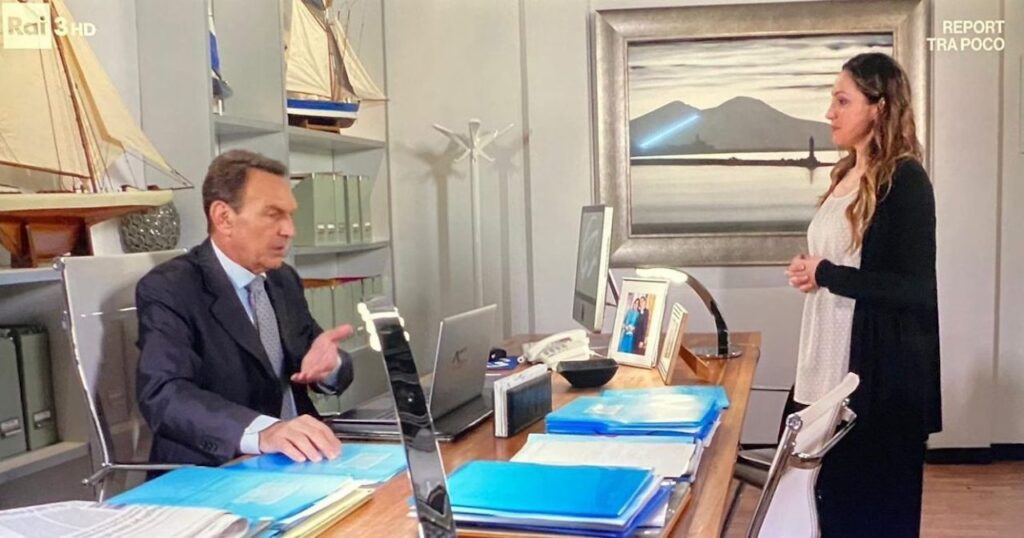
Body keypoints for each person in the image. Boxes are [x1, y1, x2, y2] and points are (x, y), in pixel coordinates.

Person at [784, 52, 941, 537]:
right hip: (822, 367)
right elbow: (845, 266)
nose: (829, 112)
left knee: (867, 515)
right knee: (821, 509)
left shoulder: (906, 181)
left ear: (879, 107)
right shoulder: (845, 174)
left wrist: (828, 273)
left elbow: (915, 289)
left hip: (875, 381)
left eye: (842, 100)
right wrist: (813, 272)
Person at [136, 150, 355, 467]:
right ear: (223, 217)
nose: (289, 230)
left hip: (301, 460)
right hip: (218, 466)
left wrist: (331, 366)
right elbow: (164, 394)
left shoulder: (283, 279)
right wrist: (264, 432)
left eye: (290, 215)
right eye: (273, 214)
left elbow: (315, 353)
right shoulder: (171, 287)